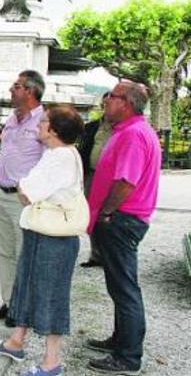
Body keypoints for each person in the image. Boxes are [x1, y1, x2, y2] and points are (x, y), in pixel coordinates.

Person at [0, 105, 85, 376]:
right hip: (41, 232)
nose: (39, 126)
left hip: (53, 239)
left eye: (43, 122)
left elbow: (28, 192)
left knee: (50, 295)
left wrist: (23, 185)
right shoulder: (58, 153)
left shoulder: (60, 157)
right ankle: (16, 340)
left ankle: (51, 362)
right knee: (26, 286)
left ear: (53, 130)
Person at [85, 80, 161, 375]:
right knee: (119, 285)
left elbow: (126, 182)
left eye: (112, 97)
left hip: (122, 219)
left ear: (126, 103)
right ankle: (120, 341)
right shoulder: (130, 130)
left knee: (124, 287)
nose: (106, 101)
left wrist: (106, 212)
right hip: (123, 218)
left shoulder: (132, 134)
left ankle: (128, 356)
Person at [0, 70, 46, 326]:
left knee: (24, 254)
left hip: (22, 200)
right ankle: (10, 301)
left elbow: (49, 162)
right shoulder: (13, 117)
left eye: (17, 86)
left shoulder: (44, 121)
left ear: (30, 91)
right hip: (0, 193)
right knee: (5, 252)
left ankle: (24, 308)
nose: (11, 90)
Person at [77, 91, 113, 268]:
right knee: (91, 212)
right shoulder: (92, 127)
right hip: (92, 174)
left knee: (109, 213)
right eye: (105, 104)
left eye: (111, 103)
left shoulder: (121, 128)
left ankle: (108, 254)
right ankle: (95, 253)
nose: (108, 107)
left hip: (111, 178)